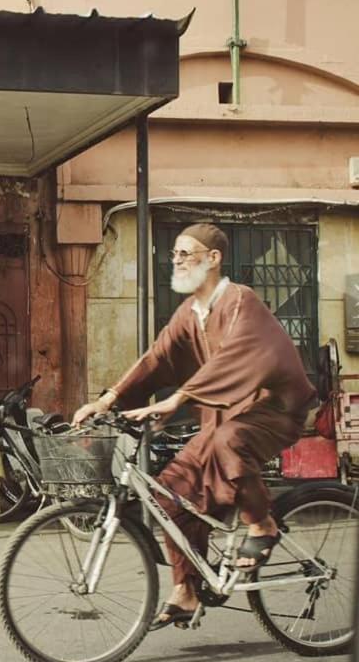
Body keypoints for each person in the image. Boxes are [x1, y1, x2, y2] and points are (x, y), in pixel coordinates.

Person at [73, 223, 316, 631]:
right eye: (175, 254)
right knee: (170, 496)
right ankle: (186, 591)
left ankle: (262, 524)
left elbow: (239, 358)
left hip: (274, 408)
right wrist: (107, 399)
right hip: (225, 414)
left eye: (187, 253)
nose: (178, 260)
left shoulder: (241, 301)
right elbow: (156, 358)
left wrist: (180, 398)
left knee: (229, 441)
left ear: (214, 258)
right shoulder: (190, 313)